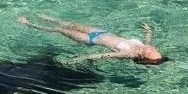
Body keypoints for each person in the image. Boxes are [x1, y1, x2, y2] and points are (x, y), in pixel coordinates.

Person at [17, 14, 167, 64]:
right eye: (154, 49)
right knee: (71, 24)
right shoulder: (143, 45)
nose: (152, 48)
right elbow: (148, 38)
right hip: (101, 31)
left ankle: (29, 24)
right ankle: (48, 18)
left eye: (151, 51)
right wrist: (148, 29)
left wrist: (79, 59)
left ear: (144, 57)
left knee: (60, 29)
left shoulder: (126, 53)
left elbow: (101, 55)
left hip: (90, 39)